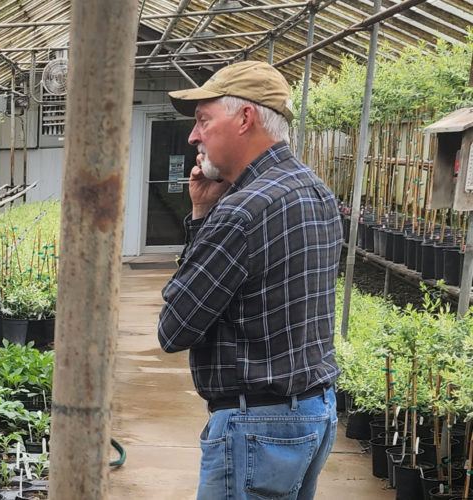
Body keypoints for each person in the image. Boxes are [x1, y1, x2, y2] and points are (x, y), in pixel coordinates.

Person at [158, 61, 342, 500]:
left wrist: (204, 219)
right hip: (314, 411)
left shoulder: (243, 210)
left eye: (203, 120)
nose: (194, 136)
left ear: (245, 119)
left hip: (257, 426)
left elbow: (175, 328)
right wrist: (204, 212)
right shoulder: (315, 190)